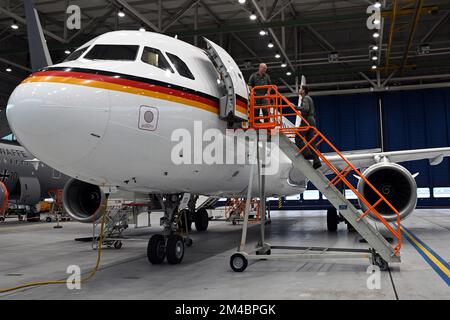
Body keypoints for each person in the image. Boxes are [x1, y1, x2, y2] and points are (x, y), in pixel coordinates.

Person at [295, 85, 322, 169]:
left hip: (306, 121)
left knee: (298, 138)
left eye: (300, 88)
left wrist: (295, 107)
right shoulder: (309, 98)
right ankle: (316, 161)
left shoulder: (305, 98)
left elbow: (305, 109)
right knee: (311, 142)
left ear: (303, 91)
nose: (299, 90)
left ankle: (307, 154)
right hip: (312, 121)